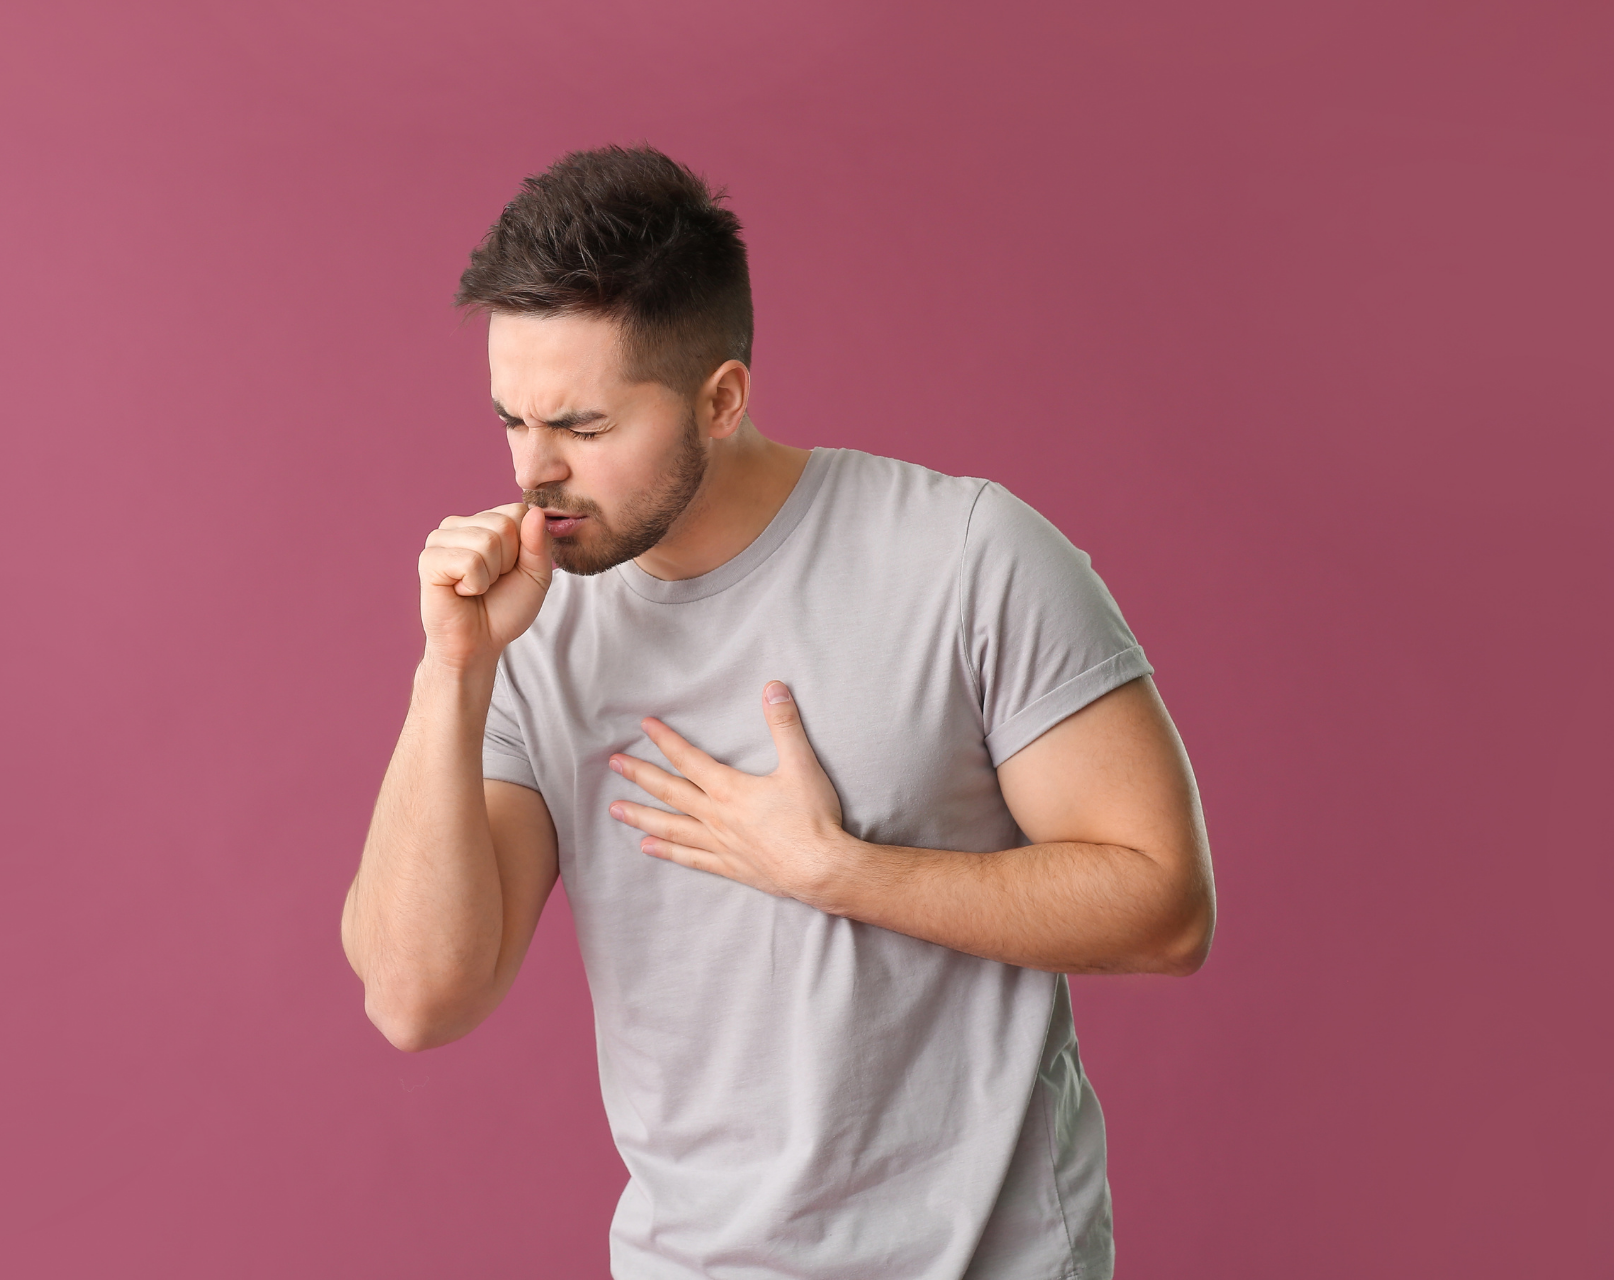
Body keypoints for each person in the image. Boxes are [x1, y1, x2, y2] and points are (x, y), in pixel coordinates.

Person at [342, 144, 1216, 1280]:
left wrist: (841, 872)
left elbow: (1165, 907)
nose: (534, 474)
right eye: (513, 419)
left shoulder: (967, 557)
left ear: (722, 398)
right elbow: (417, 997)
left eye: (584, 427)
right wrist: (451, 669)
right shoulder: (528, 627)